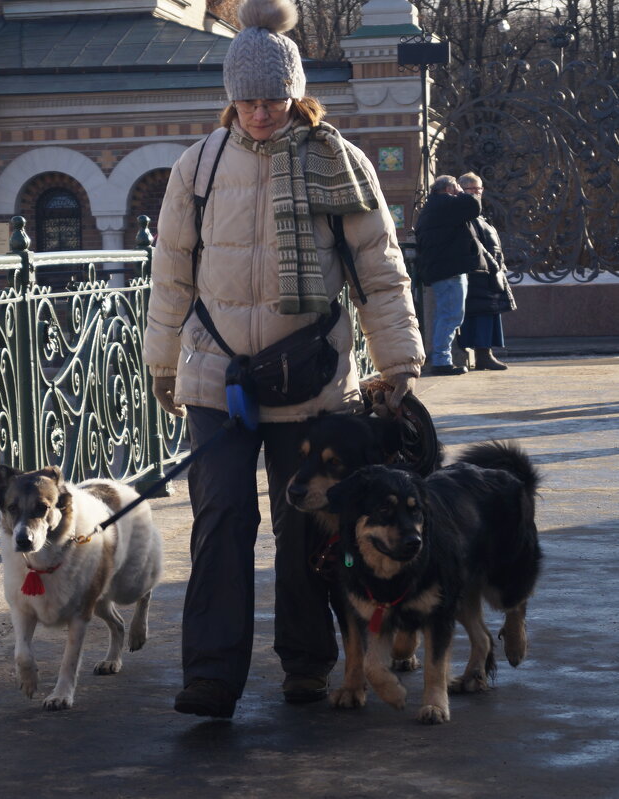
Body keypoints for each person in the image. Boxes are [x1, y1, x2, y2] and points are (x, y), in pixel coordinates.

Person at [142, 0, 424, 719]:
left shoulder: (339, 160)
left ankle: (307, 663)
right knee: (222, 515)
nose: (261, 114)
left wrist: (397, 363)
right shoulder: (198, 167)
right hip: (218, 375)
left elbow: (379, 268)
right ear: (229, 99)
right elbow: (171, 270)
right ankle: (210, 674)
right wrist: (164, 359)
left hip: (312, 380)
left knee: (308, 526)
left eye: (274, 100)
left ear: (295, 95)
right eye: (247, 101)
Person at [412, 174, 483, 376]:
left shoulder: (435, 205)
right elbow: (474, 206)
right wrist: (462, 192)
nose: (460, 192)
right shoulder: (444, 203)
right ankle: (442, 361)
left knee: (448, 315)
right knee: (450, 316)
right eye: (457, 189)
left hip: (443, 269)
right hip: (449, 270)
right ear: (449, 190)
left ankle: (442, 358)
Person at [455, 172, 515, 370]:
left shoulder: (479, 216)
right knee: (481, 315)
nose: (476, 193)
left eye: (478, 189)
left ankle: (485, 353)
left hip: (489, 274)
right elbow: (476, 245)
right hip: (478, 274)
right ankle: (483, 355)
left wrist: (498, 266)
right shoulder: (464, 216)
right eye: (470, 190)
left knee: (488, 314)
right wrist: (492, 265)